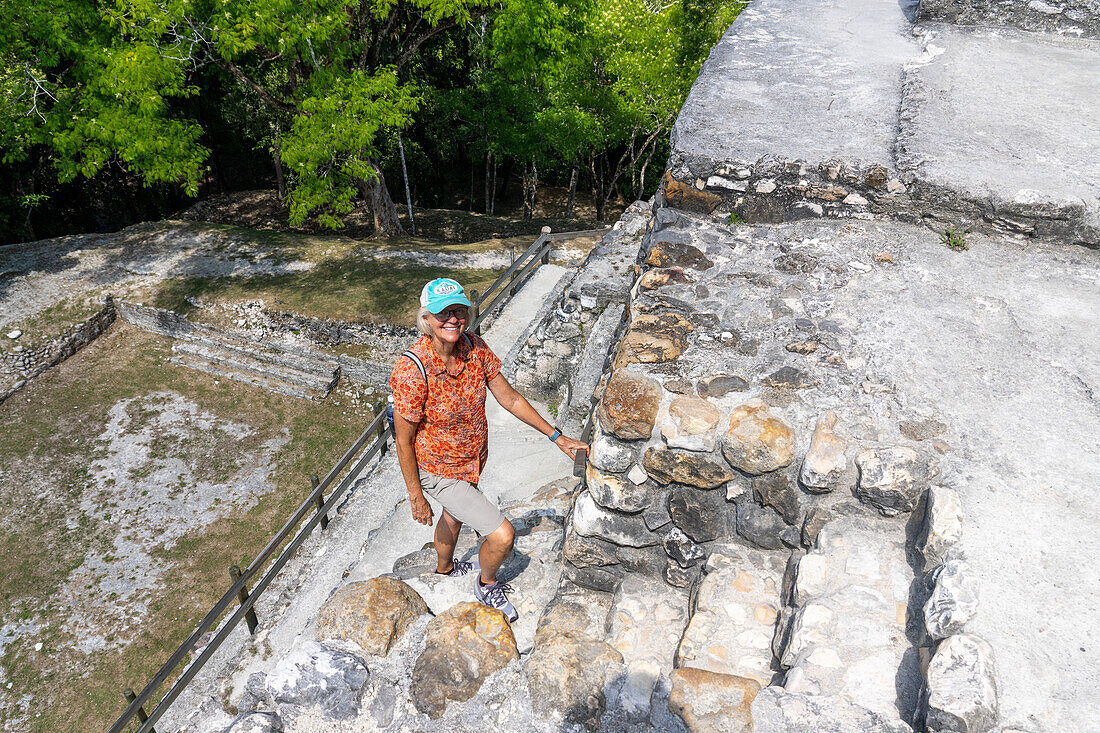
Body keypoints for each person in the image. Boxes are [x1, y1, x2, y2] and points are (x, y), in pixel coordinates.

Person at [389, 277, 587, 621]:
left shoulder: (475, 348)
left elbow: (509, 398)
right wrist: (416, 494)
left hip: (471, 460)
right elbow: (403, 440)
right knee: (502, 535)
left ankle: (445, 569)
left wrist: (558, 438)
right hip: (437, 468)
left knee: (454, 516)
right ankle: (486, 582)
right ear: (426, 319)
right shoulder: (412, 370)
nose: (452, 319)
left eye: (459, 311)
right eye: (443, 314)